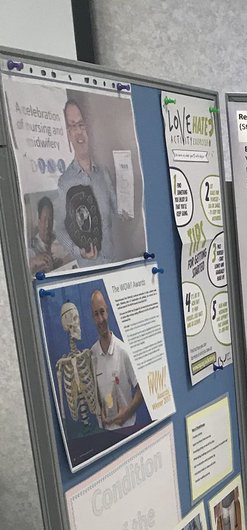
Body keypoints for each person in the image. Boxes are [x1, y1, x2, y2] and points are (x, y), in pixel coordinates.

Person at [58, 97, 120, 265]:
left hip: (112, 262)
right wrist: (78, 251)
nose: (79, 131)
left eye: (81, 124)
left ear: (88, 129)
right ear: (69, 134)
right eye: (73, 126)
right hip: (88, 269)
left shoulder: (103, 173)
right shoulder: (64, 182)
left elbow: (117, 210)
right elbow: (59, 229)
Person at [89, 289, 143, 429]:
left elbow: (142, 390)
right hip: (105, 432)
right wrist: (99, 410)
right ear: (93, 318)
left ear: (108, 312)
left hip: (127, 429)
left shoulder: (123, 351)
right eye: (96, 314)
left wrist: (126, 414)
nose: (100, 319)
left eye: (102, 312)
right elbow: (95, 393)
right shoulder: (92, 355)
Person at [28, 196, 69, 272]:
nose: (47, 225)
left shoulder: (60, 241)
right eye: (44, 219)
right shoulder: (31, 246)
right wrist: (33, 261)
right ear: (39, 221)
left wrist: (63, 261)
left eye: (50, 220)